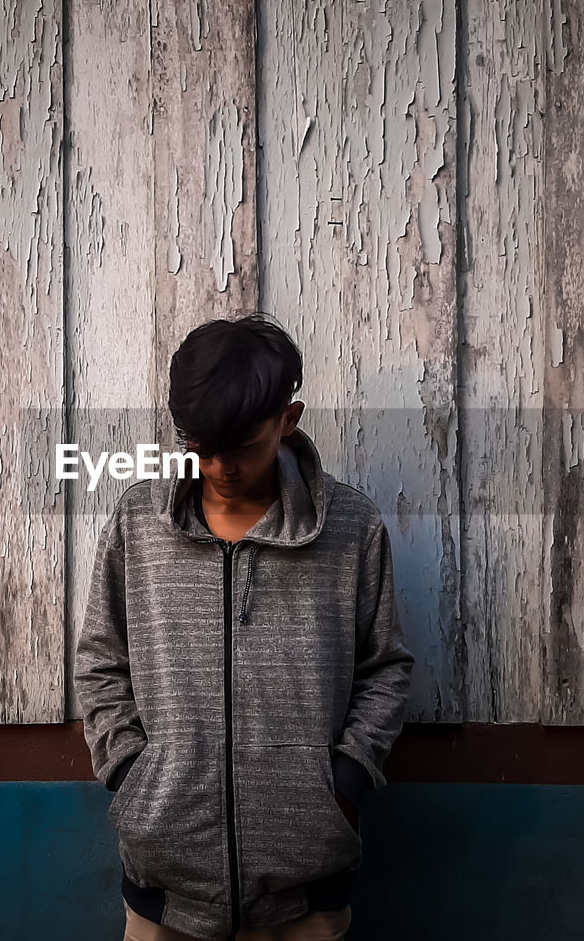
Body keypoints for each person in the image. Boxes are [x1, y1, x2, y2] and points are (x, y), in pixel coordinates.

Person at [74, 314, 415, 940]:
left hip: (307, 892)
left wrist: (343, 783)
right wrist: (132, 776)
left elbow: (384, 668)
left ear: (289, 420)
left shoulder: (351, 529)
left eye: (242, 447)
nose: (220, 467)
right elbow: (101, 661)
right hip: (163, 887)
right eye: (202, 448)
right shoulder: (139, 523)